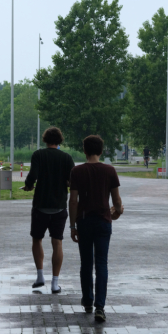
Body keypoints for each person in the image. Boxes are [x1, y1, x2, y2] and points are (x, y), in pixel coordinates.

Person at [69, 135, 124, 322]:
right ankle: (100, 307)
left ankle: (87, 301)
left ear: (84, 150)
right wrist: (118, 211)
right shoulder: (109, 170)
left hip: (84, 222)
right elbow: (116, 201)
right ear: (101, 150)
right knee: (101, 263)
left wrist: (72, 226)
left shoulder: (77, 171)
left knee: (86, 263)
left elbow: (73, 201)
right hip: (103, 221)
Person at [23, 127, 75, 293]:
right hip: (59, 206)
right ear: (60, 140)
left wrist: (29, 186)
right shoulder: (66, 158)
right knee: (57, 242)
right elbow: (72, 181)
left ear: (45, 139)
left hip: (40, 206)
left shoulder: (38, 155)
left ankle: (39, 276)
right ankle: (55, 282)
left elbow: (33, 175)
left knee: (37, 240)